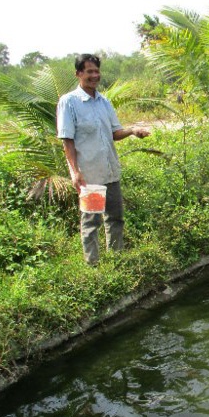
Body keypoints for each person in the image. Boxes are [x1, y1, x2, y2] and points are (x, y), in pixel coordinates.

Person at [56, 54, 150, 265]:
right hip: (91, 175)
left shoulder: (103, 102)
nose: (94, 75)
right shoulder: (69, 102)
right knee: (91, 221)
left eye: (96, 71)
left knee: (115, 218)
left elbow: (114, 133)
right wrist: (75, 172)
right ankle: (93, 266)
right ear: (78, 73)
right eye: (89, 71)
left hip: (110, 172)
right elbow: (67, 140)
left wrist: (133, 130)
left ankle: (116, 261)